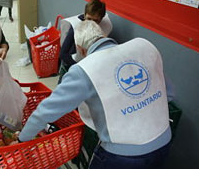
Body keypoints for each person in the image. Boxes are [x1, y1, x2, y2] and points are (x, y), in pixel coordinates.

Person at [19, 20, 173, 169]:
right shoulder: (143, 47)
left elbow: (45, 112)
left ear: (80, 49)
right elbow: (170, 95)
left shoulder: (84, 70)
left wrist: (22, 139)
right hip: (164, 140)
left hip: (123, 155)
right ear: (104, 36)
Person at [58, 0, 112, 83]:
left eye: (95, 20)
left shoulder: (106, 26)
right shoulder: (76, 26)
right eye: (89, 19)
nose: (91, 23)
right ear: (84, 14)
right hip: (72, 61)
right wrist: (79, 68)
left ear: (101, 19)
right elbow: (63, 53)